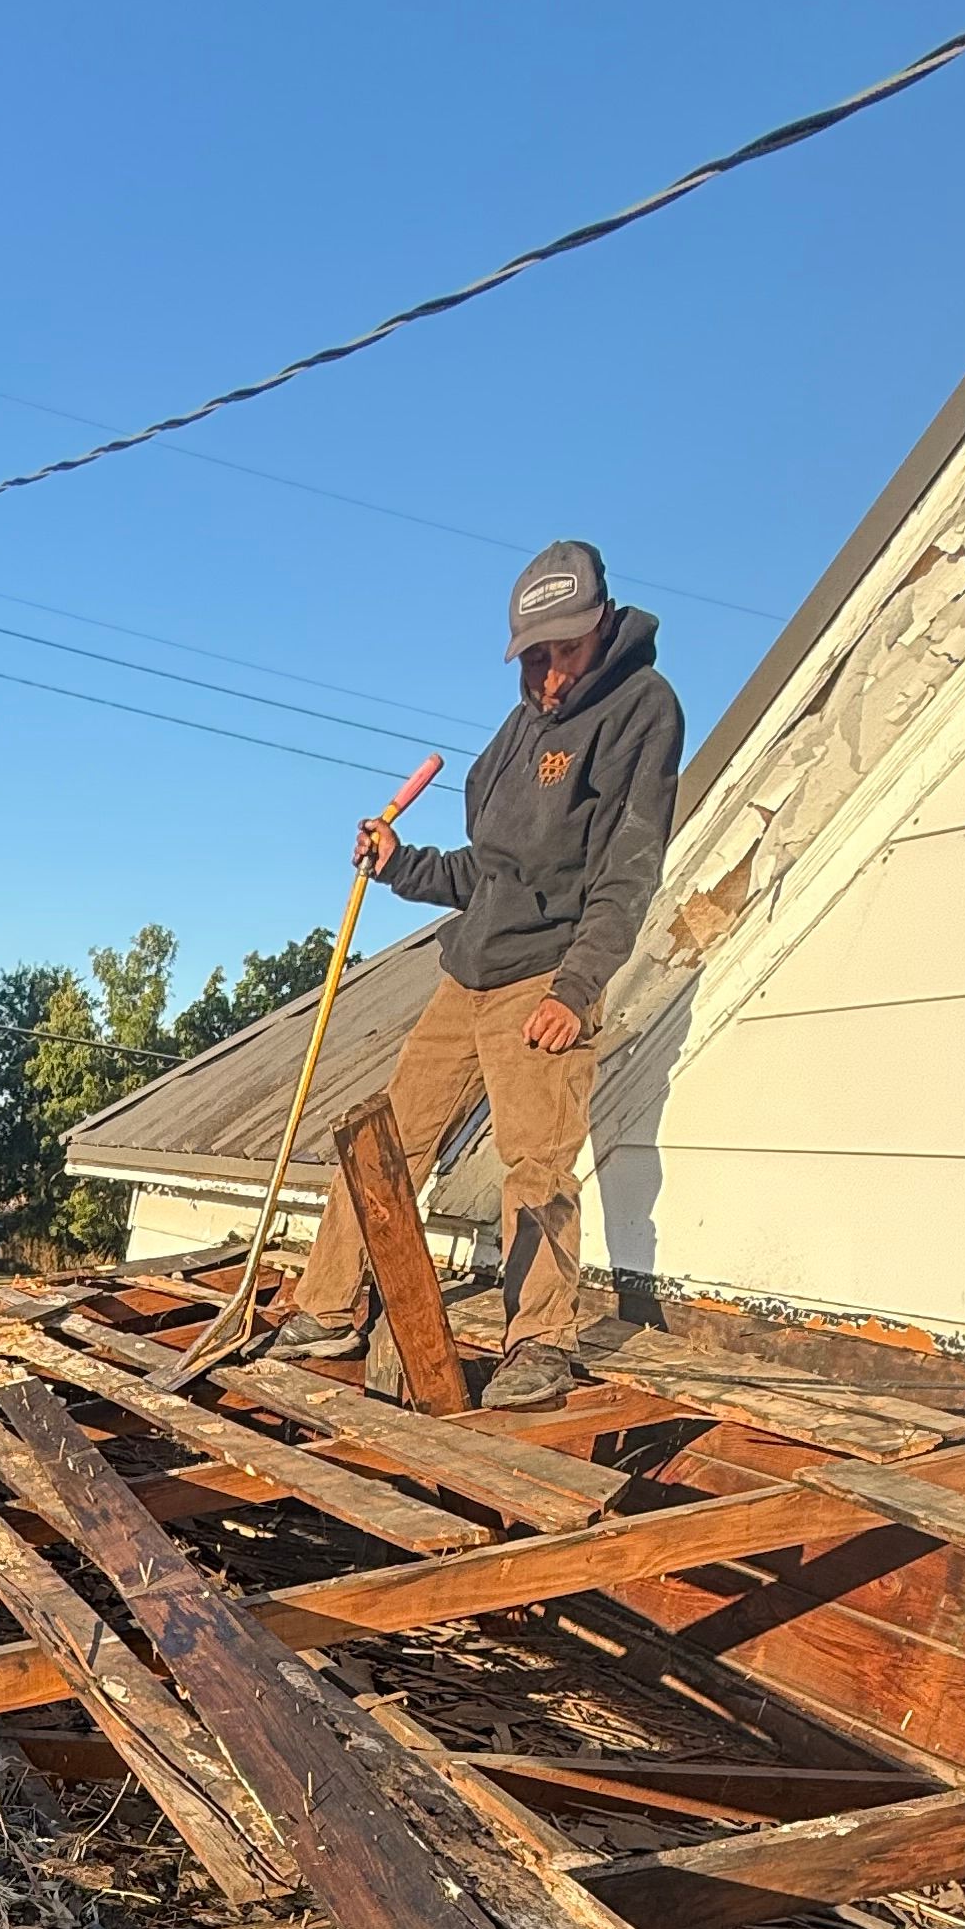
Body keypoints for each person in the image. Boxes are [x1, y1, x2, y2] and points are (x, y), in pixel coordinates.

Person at [284, 540, 682, 1411]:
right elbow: (486, 875)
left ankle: (538, 1342)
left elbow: (627, 871)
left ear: (602, 625)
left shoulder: (642, 712)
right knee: (384, 1143)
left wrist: (573, 992)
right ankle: (326, 1308)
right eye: (532, 656)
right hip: (466, 974)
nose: (546, 675)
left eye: (562, 653)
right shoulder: (519, 730)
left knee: (536, 1163)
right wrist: (399, 863)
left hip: (544, 979)